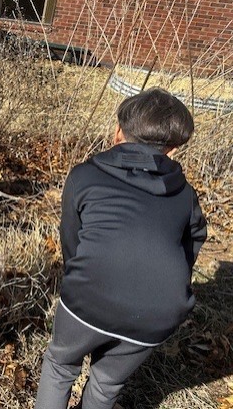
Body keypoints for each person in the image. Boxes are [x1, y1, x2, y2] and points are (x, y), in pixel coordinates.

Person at [35, 88, 207, 409]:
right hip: (158, 312)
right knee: (106, 384)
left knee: (60, 367)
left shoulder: (85, 176)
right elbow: (193, 243)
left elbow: (72, 241)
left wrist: (83, 280)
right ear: (171, 149)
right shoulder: (185, 195)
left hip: (90, 294)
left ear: (117, 132)